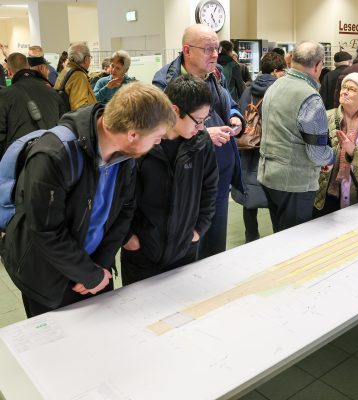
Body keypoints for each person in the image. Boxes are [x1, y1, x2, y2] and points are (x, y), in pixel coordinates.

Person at [0, 82, 176, 317]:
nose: (159, 142)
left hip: (96, 270)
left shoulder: (126, 155)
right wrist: (88, 274)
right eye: (158, 137)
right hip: (49, 279)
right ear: (133, 134)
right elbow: (45, 230)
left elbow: (125, 209)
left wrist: (101, 266)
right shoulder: (54, 154)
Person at [153, 24, 244, 258]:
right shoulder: (165, 84)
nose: (214, 54)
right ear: (187, 50)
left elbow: (230, 103)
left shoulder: (215, 75)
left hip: (219, 178)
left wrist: (236, 117)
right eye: (207, 49)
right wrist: (205, 135)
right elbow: (162, 134)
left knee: (215, 249)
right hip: (190, 180)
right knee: (191, 249)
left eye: (216, 48)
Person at [120, 75, 218, 285]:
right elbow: (120, 195)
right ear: (174, 110)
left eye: (205, 120)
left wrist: (198, 230)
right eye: (198, 121)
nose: (201, 127)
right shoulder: (142, 141)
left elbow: (210, 188)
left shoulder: (201, 143)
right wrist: (128, 239)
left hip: (185, 251)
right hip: (142, 255)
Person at [258, 41, 335, 233]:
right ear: (318, 65)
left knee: (280, 234)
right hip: (295, 182)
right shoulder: (310, 97)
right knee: (295, 239)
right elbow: (317, 153)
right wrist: (331, 157)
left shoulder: (275, 85)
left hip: (269, 174)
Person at [232, 51, 286, 243]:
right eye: (283, 71)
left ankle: (251, 236)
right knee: (274, 196)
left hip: (247, 148)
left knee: (249, 197)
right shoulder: (279, 91)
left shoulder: (248, 89)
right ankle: (278, 237)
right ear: (276, 71)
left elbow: (239, 111)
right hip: (271, 149)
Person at [314, 72, 358, 216]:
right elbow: (314, 150)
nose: (344, 91)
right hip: (325, 190)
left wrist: (352, 151)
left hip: (354, 190)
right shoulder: (326, 116)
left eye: (351, 89)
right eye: (344, 87)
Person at [0, 53, 66, 156]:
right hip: (52, 155)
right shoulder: (52, 92)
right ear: (28, 67)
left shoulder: (5, 96)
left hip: (20, 158)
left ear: (9, 71)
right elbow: (63, 126)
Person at [54, 42, 96, 111]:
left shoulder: (66, 70)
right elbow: (80, 109)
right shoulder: (79, 76)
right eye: (89, 57)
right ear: (86, 59)